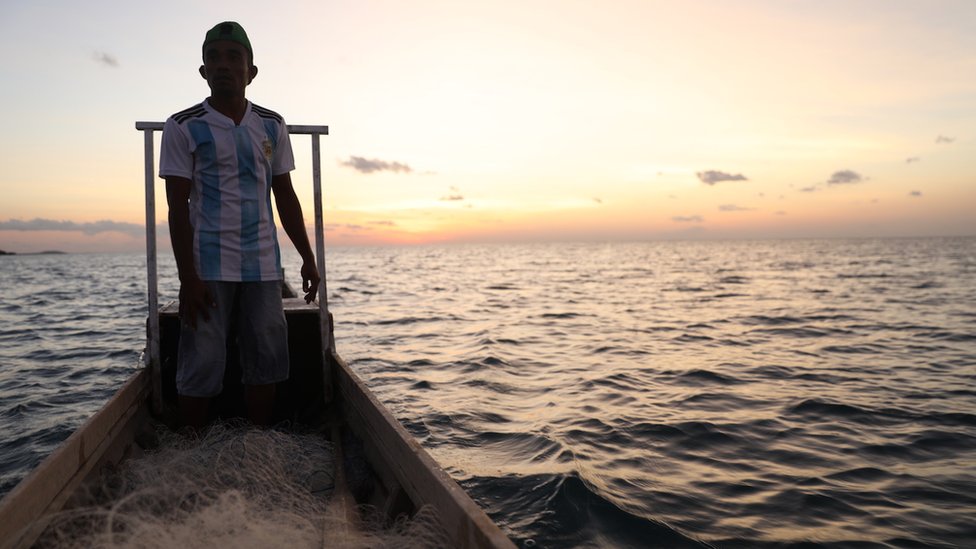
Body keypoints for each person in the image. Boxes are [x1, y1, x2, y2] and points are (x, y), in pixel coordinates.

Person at [159, 21, 319, 430]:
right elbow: (177, 207)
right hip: (206, 267)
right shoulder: (182, 125)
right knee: (203, 358)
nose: (223, 65)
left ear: (251, 70)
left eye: (234, 57)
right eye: (213, 57)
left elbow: (284, 195)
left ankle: (259, 441)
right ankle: (192, 446)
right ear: (203, 71)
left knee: (266, 355)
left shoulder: (271, 125)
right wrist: (187, 278)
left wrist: (307, 257)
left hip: (264, 265)